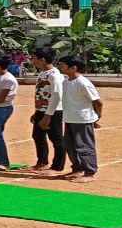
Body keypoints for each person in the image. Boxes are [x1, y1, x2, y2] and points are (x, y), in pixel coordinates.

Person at [58, 55, 103, 183]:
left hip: (82, 119)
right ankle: (77, 169)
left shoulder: (83, 83)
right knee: (69, 146)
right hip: (70, 118)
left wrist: (97, 116)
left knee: (84, 146)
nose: (59, 68)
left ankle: (89, 172)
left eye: (62, 66)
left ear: (73, 68)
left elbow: (97, 102)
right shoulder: (66, 82)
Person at [28, 47, 65, 173]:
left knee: (56, 138)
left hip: (53, 112)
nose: (31, 60)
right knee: (38, 136)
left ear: (42, 60)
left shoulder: (54, 75)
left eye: (33, 58)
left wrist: (47, 116)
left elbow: (57, 96)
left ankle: (57, 166)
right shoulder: (43, 73)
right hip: (42, 110)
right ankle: (42, 162)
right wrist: (37, 112)